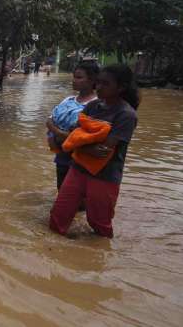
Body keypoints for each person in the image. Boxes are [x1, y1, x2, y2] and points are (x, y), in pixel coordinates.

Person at [50, 64, 140, 238]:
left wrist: (75, 143)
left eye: (105, 84)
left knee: (100, 225)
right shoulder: (93, 106)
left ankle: (99, 257)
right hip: (77, 168)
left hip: (105, 176)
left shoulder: (126, 115)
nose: (98, 87)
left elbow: (104, 150)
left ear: (120, 87)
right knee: (58, 216)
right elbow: (75, 135)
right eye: (98, 82)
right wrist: (81, 144)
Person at [46, 62, 99, 190]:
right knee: (62, 192)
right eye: (74, 76)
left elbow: (80, 135)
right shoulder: (68, 100)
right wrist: (59, 132)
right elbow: (49, 120)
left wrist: (56, 130)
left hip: (81, 159)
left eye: (79, 77)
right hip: (62, 156)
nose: (74, 80)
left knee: (77, 197)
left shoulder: (96, 105)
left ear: (92, 80)